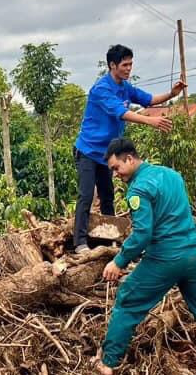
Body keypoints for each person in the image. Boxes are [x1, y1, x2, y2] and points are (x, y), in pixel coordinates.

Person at [93, 138, 196, 375]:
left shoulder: (138, 189)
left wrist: (118, 261)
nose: (115, 174)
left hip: (165, 258)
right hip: (195, 256)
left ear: (130, 159)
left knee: (127, 301)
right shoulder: (173, 176)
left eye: (116, 168)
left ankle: (108, 363)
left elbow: (143, 233)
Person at [72, 44, 184, 253]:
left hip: (106, 155)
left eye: (131, 64)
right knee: (86, 195)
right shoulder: (101, 89)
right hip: (88, 150)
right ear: (112, 65)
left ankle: (107, 239)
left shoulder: (125, 87)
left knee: (108, 195)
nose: (128, 68)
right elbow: (121, 113)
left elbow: (149, 100)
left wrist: (171, 93)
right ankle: (79, 243)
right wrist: (151, 122)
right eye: (125, 64)